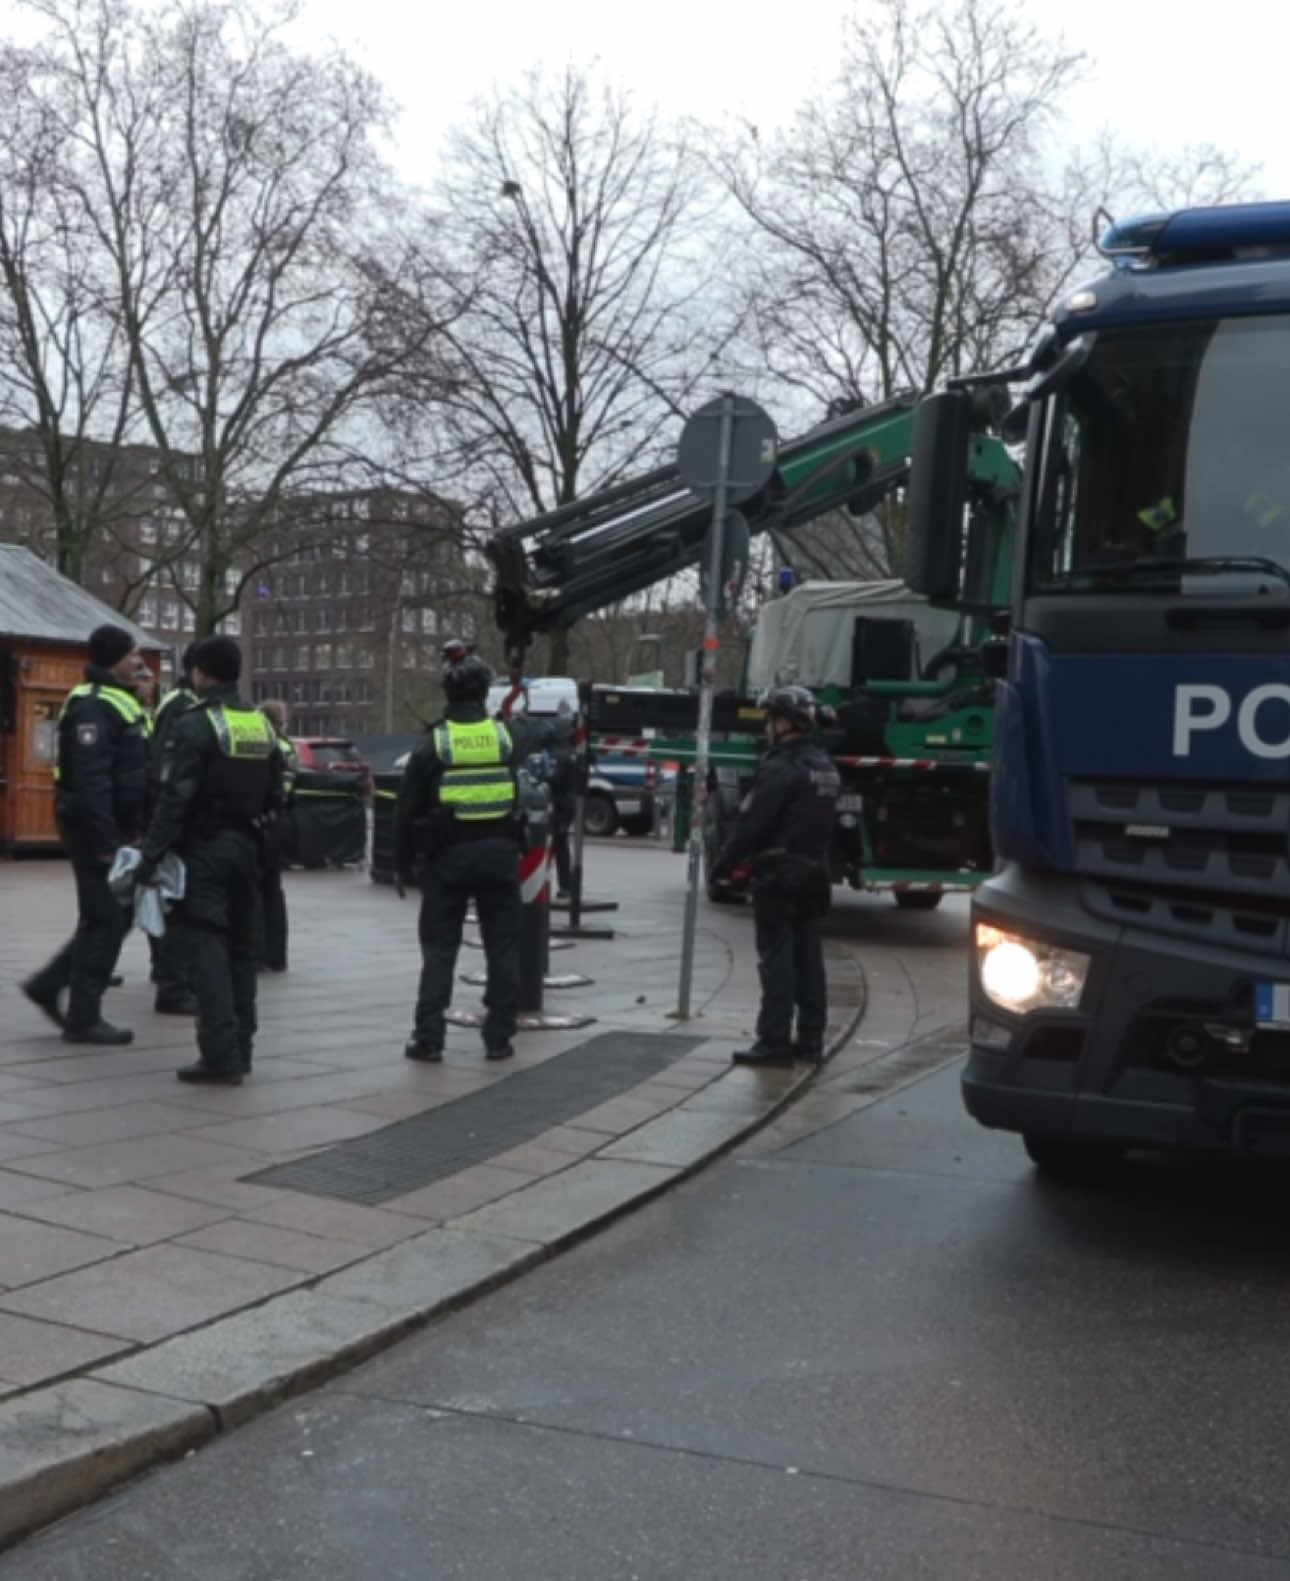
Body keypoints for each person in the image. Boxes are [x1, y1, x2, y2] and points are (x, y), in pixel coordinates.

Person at [137, 636, 282, 1085]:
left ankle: (219, 1055)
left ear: (201, 673)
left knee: (207, 947)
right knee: (242, 949)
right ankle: (243, 1048)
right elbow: (278, 792)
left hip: (205, 851)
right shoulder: (260, 725)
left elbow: (174, 797)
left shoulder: (195, 724)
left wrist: (150, 855)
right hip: (248, 848)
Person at [395, 653, 551, 1064]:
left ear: (447, 693)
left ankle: (429, 1038)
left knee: (439, 949)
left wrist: (402, 861)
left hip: (447, 859)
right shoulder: (506, 737)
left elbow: (407, 808)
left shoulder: (435, 743)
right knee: (502, 947)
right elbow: (538, 741)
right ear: (484, 693)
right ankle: (499, 1038)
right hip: (501, 855)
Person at [22, 624, 150, 1045]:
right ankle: (83, 1017)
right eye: (133, 654)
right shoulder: (93, 706)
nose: (139, 662)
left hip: (114, 828)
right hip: (97, 830)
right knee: (107, 919)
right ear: (115, 657)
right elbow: (93, 780)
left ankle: (49, 985)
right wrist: (106, 843)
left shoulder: (117, 702)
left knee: (112, 916)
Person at [709, 685, 840, 1067]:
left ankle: (774, 1042)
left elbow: (752, 824)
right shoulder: (825, 766)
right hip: (815, 874)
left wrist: (723, 867)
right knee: (809, 962)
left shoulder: (781, 768)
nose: (767, 727)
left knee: (777, 962)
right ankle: (811, 1041)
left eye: (771, 719)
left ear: (785, 722)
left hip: (779, 876)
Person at [145, 644, 201, 1014]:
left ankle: (172, 974)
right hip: (174, 823)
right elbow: (167, 771)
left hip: (173, 821)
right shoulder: (182, 705)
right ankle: (171, 980)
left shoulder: (185, 702)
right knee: (170, 900)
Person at [257, 698, 298, 972]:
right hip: (282, 821)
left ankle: (258, 953)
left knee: (258, 891)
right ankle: (277, 955)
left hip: (265, 823)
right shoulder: (288, 746)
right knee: (274, 891)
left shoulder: (268, 745)